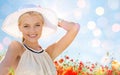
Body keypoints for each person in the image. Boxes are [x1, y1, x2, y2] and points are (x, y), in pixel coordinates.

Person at [0, 4, 80, 75]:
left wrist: (54, 20)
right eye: (26, 26)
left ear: (43, 25)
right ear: (19, 27)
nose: (32, 30)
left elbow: (74, 28)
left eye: (37, 25)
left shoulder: (48, 54)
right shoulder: (16, 47)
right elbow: (4, 68)